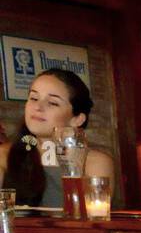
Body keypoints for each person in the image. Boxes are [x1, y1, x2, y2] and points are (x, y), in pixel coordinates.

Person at [0, 69, 114, 208]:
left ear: (77, 119)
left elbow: (94, 222)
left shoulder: (94, 163)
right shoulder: (4, 156)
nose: (38, 107)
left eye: (52, 103)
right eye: (34, 98)